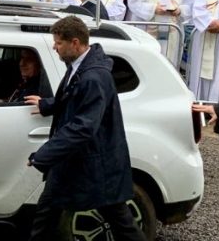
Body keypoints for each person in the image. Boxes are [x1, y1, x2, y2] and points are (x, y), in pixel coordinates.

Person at [24, 16, 145, 241]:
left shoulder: (93, 77)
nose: (55, 47)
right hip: (80, 160)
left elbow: (83, 126)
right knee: (47, 214)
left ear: (75, 43)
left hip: (93, 163)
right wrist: (48, 105)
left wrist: (44, 155)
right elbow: (73, 97)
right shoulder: (81, 67)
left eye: (59, 43)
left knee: (119, 220)